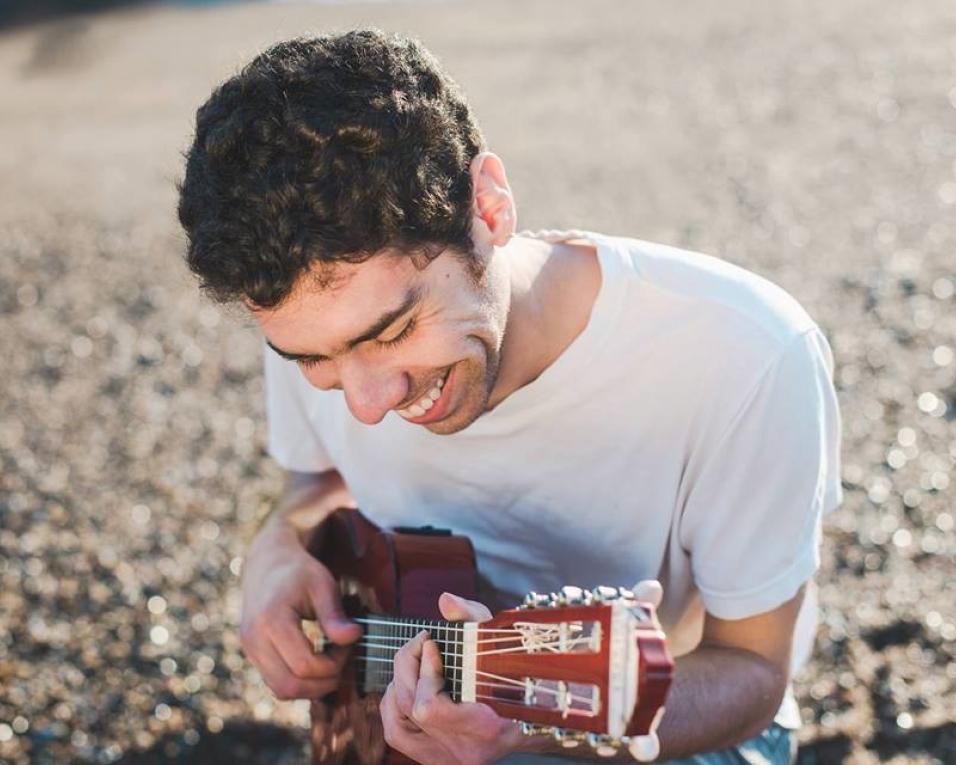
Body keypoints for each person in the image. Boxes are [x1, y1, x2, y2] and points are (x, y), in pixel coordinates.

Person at [176, 29, 843, 765]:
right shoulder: (319, 322)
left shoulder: (744, 354)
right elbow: (314, 483)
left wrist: (531, 727)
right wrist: (271, 548)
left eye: (395, 330)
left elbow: (753, 672)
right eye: (313, 360)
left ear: (488, 209)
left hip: (674, 723)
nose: (365, 401)